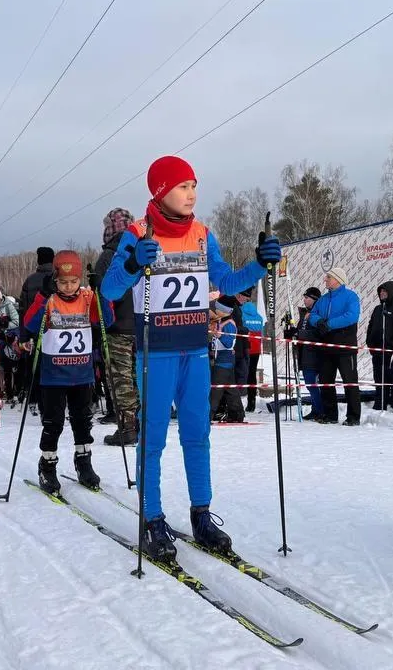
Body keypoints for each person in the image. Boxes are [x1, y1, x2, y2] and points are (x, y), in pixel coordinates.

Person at [101, 154, 282, 563]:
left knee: (198, 435)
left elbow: (226, 281)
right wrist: (131, 263)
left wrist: (260, 263)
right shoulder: (137, 232)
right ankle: (151, 519)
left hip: (195, 349)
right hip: (156, 352)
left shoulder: (202, 233)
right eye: (184, 186)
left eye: (195, 185)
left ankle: (201, 515)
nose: (192, 193)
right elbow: (110, 291)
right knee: (153, 439)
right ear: (162, 191)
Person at [21, 250, 112, 493]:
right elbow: (29, 324)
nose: (69, 287)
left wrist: (101, 293)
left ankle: (83, 463)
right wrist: (42, 294)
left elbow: (107, 321)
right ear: (55, 280)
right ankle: (47, 465)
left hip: (82, 374)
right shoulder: (50, 300)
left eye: (74, 282)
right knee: (54, 423)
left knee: (83, 421)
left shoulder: (87, 297)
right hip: (54, 376)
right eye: (63, 282)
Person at [95, 208, 140, 447]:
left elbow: (103, 293)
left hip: (117, 326)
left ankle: (127, 427)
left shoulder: (109, 256)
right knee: (136, 375)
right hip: (140, 324)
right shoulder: (142, 250)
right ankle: (140, 423)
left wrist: (101, 322)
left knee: (120, 379)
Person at [307, 267, 361, 426]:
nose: (325, 280)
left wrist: (329, 324)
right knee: (326, 381)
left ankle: (353, 417)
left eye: (328, 277)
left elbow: (352, 316)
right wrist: (318, 322)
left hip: (345, 348)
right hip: (326, 348)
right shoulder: (323, 299)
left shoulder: (351, 296)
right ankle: (330, 414)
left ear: (338, 279)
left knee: (350, 382)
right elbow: (312, 315)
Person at [18, 246, 55, 412]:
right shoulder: (58, 278)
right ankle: (52, 404)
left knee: (35, 368)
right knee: (53, 369)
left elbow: (24, 310)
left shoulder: (30, 280)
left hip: (34, 332)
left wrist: (23, 337)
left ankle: (35, 400)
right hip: (56, 333)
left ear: (39, 260)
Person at [365, 280, 393, 411]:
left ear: (391, 292)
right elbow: (370, 327)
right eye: (380, 291)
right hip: (377, 350)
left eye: (384, 291)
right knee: (379, 377)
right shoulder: (378, 309)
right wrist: (370, 343)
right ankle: (380, 401)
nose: (382, 293)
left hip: (392, 350)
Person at [286, 286, 324, 419]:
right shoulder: (305, 313)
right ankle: (316, 409)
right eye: (304, 297)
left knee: (311, 383)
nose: (304, 300)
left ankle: (320, 410)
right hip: (304, 353)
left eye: (307, 298)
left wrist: (298, 333)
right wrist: (291, 333)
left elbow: (317, 334)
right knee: (309, 384)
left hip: (314, 354)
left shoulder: (318, 313)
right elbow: (300, 331)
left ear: (314, 299)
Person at [206, 299, 239, 423]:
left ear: (225, 311)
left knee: (215, 390)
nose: (216, 310)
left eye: (218, 308)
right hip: (222, 360)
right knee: (230, 389)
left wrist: (220, 335)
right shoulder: (220, 322)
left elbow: (228, 342)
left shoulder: (229, 324)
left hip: (224, 360)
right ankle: (237, 414)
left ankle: (207, 416)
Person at [237, 288, 264, 413]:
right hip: (256, 348)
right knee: (252, 374)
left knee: (240, 373)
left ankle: (236, 402)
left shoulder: (240, 312)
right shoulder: (258, 315)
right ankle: (251, 402)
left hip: (244, 347)